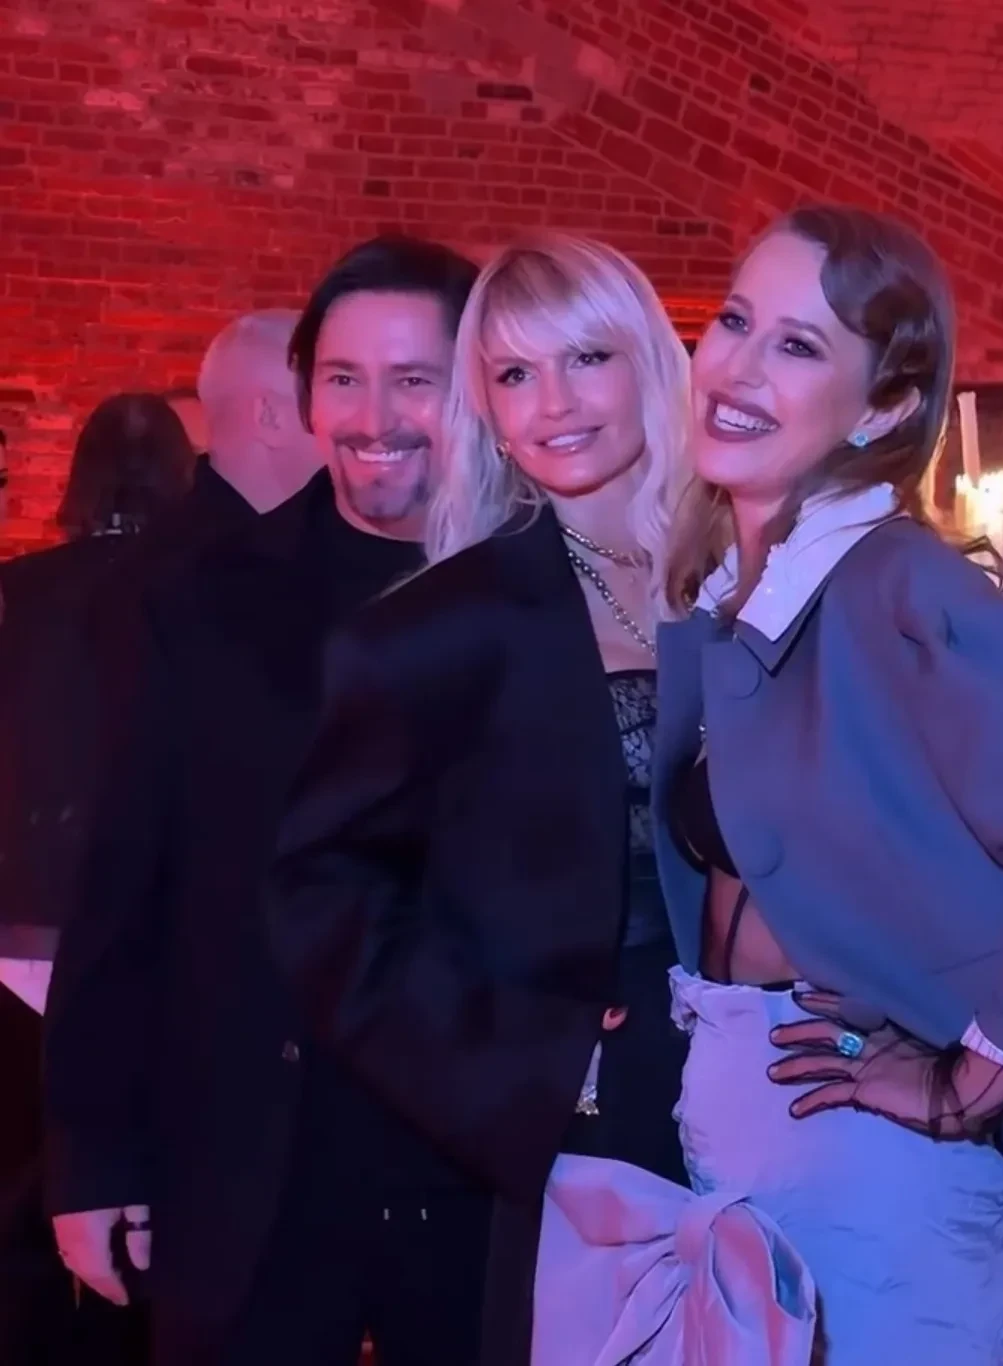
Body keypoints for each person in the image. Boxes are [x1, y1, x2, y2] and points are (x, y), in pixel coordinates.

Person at [635, 204, 1003, 1364]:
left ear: (883, 406)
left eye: (798, 345)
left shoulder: (899, 585)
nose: (738, 367)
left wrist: (971, 1079)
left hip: (879, 1190)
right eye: (736, 321)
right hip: (742, 1156)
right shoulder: (742, 595)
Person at [43, 236, 479, 1366]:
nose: (375, 416)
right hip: (253, 1163)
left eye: (414, 379)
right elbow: (124, 883)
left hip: (480, 1176)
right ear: (308, 396)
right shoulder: (203, 601)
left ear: (474, 386)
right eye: (344, 379)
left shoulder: (545, 590)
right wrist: (92, 1154)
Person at [266, 233, 692, 1366]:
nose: (553, 402)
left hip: (783, 1094)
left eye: (586, 358)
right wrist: (518, 1060)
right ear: (487, 411)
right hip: (590, 1130)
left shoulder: (749, 580)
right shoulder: (435, 629)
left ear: (650, 363)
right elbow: (318, 898)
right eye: (514, 373)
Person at [0, 390, 195, 1366]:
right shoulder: (208, 593)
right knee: (150, 1216)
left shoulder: (18, 592)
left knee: (16, 1218)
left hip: (17, 938)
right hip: (154, 942)